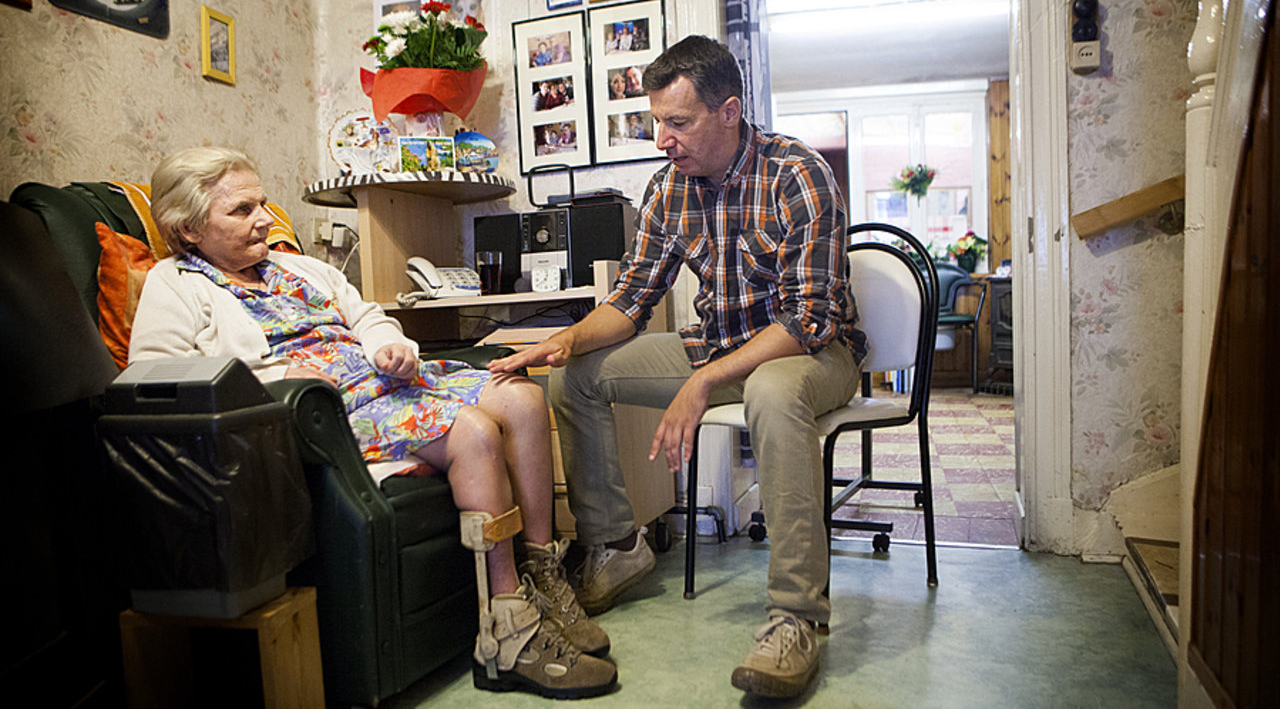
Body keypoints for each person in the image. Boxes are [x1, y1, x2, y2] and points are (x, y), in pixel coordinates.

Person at [130, 147, 617, 700]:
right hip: (329, 412)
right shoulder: (174, 284)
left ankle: (543, 582)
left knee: (522, 397)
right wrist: (275, 376)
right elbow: (154, 375)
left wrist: (390, 345)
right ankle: (509, 635)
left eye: (261, 203)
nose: (264, 219)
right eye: (242, 210)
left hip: (386, 381)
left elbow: (366, 315)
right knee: (475, 431)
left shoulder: (296, 267)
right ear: (189, 229)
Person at [488, 35, 863, 699]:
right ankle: (615, 548)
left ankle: (796, 617)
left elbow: (807, 319)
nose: (663, 139)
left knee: (772, 393)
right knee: (575, 377)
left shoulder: (797, 174)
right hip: (716, 345)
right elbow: (631, 301)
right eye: (657, 121)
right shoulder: (667, 188)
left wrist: (703, 381)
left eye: (679, 122)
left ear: (729, 111)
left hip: (809, 352)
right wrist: (565, 340)